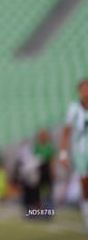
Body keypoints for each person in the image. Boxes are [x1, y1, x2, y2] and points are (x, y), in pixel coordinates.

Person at [60, 78, 88, 232]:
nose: (86, 92)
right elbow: (66, 132)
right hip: (81, 153)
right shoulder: (74, 108)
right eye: (83, 89)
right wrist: (63, 154)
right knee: (85, 185)